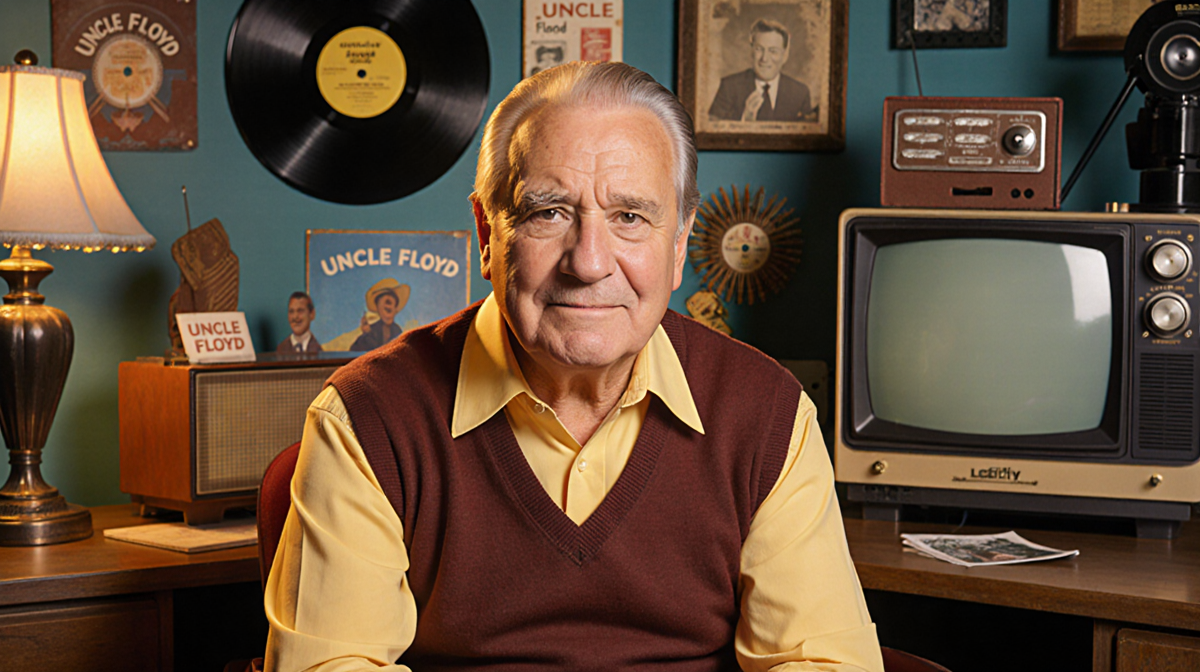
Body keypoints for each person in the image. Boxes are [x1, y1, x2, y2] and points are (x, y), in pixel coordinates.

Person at [264, 61, 883, 672]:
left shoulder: (767, 414)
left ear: (678, 245)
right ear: (487, 232)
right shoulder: (368, 415)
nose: (588, 263)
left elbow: (827, 662)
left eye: (630, 217)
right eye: (548, 212)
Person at [708, 18, 814, 122]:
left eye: (773, 51)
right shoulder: (729, 87)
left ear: (785, 56)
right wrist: (745, 119)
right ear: (751, 51)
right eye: (759, 49)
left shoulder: (800, 93)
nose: (764, 58)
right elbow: (712, 134)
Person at [349, 278, 409, 352]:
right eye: (386, 302)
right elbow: (354, 353)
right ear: (378, 308)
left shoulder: (397, 331)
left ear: (395, 308)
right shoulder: (370, 332)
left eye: (391, 303)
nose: (388, 306)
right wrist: (367, 335)